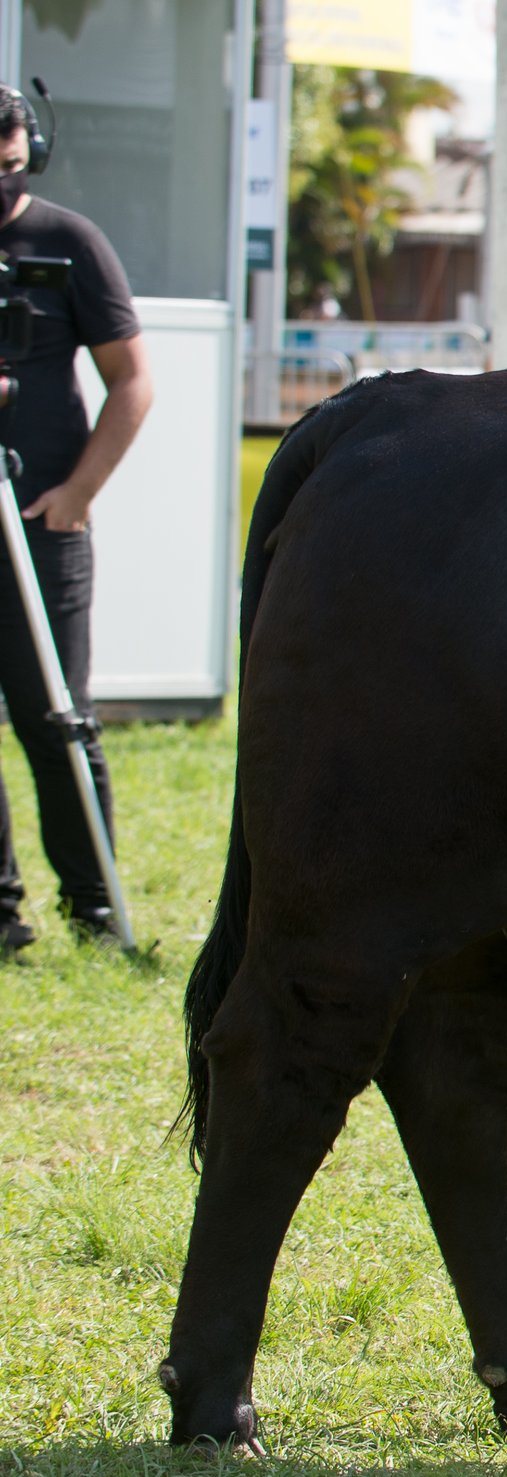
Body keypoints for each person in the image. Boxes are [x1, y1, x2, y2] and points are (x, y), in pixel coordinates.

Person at [0, 83, 152, 950]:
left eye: (11, 170)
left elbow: (132, 381)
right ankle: (1, 913)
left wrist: (79, 494)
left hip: (44, 520)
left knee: (54, 714)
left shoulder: (67, 242)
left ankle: (92, 906)